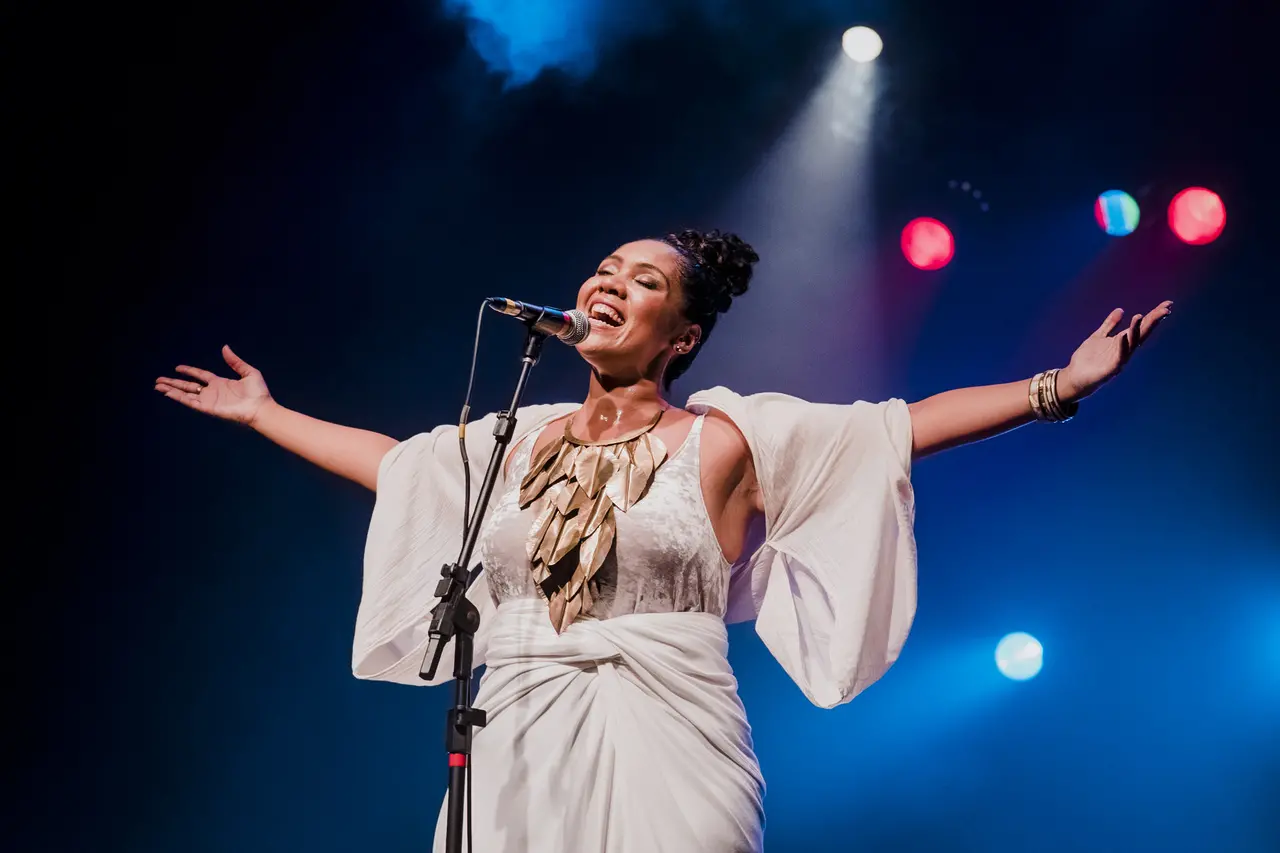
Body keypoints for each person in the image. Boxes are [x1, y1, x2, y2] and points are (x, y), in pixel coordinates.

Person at [155, 229, 1171, 852]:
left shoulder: (727, 436)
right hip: (511, 737)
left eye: (640, 280)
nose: (606, 283)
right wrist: (265, 414)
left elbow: (900, 425)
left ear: (677, 335)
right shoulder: (513, 439)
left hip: (671, 737)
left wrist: (1056, 387)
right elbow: (398, 466)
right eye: (602, 268)